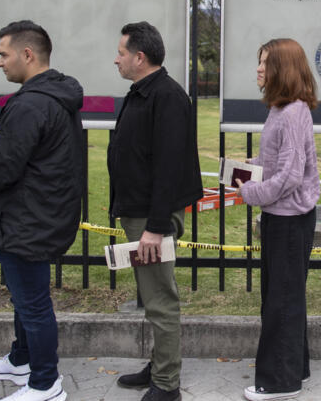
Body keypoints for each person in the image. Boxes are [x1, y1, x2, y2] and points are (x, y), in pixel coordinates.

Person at [0, 20, 84, 401]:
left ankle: (45, 383)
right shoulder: (54, 97)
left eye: (4, 54)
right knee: (24, 296)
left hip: (29, 218)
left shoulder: (31, 104)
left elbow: (5, 164)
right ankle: (22, 358)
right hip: (40, 212)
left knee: (33, 303)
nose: (0, 62)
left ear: (27, 54)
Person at [109, 21, 203, 401]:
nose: (116, 59)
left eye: (121, 52)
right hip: (141, 213)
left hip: (152, 218)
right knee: (151, 295)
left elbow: (169, 167)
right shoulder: (143, 93)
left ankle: (167, 384)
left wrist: (155, 227)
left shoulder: (167, 97)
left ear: (139, 56)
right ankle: (159, 365)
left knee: (160, 299)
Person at [235, 39, 320, 401]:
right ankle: (294, 367)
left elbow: (289, 176)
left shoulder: (292, 111)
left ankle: (280, 382)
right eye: (259, 62)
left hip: (289, 220)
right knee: (282, 296)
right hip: (280, 218)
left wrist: (250, 193)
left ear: (282, 70)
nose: (258, 69)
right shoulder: (280, 109)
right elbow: (275, 163)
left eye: (265, 63)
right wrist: (246, 169)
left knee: (281, 302)